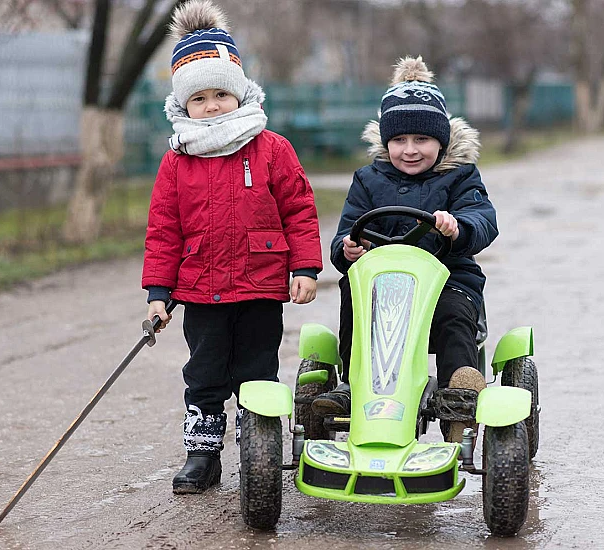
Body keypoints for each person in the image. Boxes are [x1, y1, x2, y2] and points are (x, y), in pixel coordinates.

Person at [142, 0, 322, 495]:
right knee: (203, 373)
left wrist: (304, 266)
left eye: (222, 93)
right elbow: (163, 230)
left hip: (260, 286)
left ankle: (257, 449)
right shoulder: (177, 161)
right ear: (183, 106)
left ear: (240, 93)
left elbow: (299, 210)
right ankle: (203, 454)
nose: (212, 105)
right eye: (199, 99)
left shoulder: (271, 148)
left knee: (257, 371)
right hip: (200, 290)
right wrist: (159, 291)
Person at [312, 56, 497, 444]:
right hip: (384, 283)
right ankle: (353, 384)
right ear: (385, 142)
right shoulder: (367, 180)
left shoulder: (460, 176)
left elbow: (484, 219)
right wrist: (348, 249)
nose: (409, 150)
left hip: (446, 277)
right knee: (355, 295)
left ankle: (459, 392)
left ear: (442, 140)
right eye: (398, 140)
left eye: (421, 140)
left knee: (453, 310)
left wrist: (457, 227)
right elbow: (348, 231)